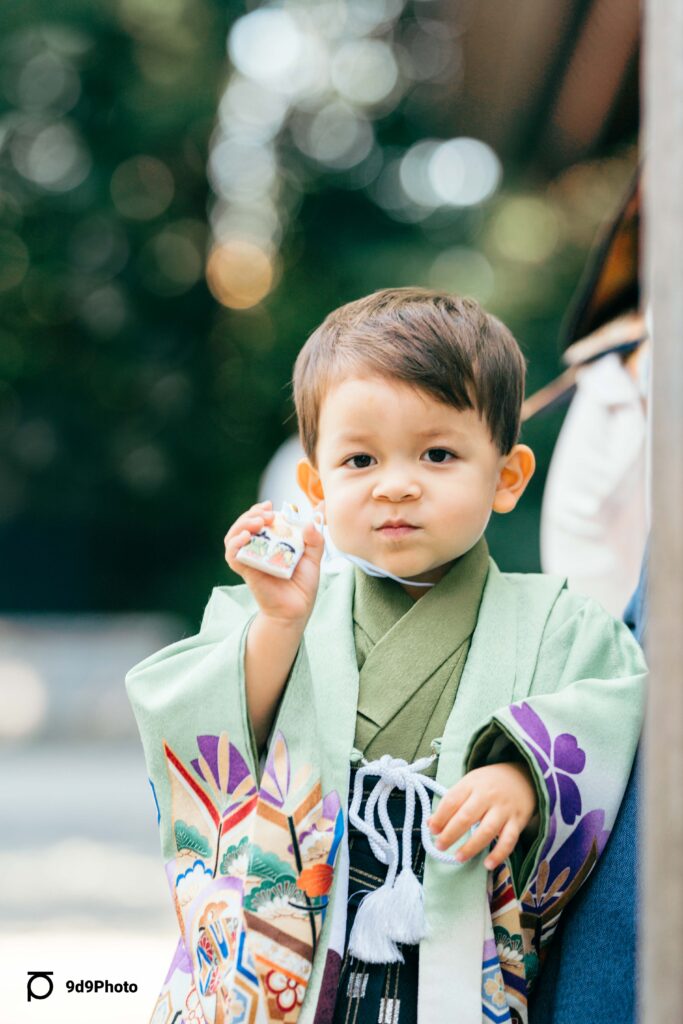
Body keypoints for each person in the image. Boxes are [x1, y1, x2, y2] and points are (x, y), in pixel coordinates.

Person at [126, 288, 646, 1024]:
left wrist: (525, 774)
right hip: (300, 951)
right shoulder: (267, 609)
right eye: (359, 458)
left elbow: (612, 704)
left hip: (458, 948)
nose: (395, 483)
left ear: (506, 477)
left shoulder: (562, 623)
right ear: (315, 487)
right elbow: (205, 730)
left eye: (437, 454)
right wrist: (277, 625)